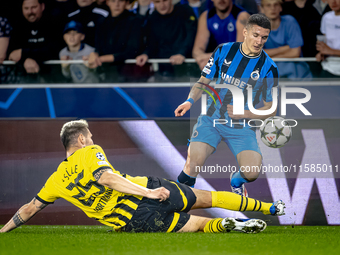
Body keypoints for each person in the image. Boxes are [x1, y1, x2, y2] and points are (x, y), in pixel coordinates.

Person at [0, 119, 285, 234]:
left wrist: (3, 231)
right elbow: (106, 178)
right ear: (83, 139)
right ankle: (270, 209)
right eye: (91, 136)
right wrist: (148, 193)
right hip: (146, 189)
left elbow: (30, 208)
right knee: (207, 198)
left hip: (130, 221)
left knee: (197, 225)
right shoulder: (90, 152)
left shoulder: (55, 180)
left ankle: (229, 224)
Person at [175, 14, 278, 197]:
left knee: (252, 173)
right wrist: (189, 101)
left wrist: (245, 113)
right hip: (211, 119)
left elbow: (271, 108)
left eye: (264, 37)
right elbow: (203, 81)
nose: (259, 41)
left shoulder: (269, 68)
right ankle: (175, 201)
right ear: (245, 32)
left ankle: (236, 180)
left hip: (241, 126)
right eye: (255, 35)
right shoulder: (224, 51)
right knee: (193, 163)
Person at [135, 0, 197, 80]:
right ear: (153, 3)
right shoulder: (152, 18)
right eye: (157, 2)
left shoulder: (185, 11)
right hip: (164, 71)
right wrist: (145, 54)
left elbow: (191, 35)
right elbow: (151, 44)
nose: (162, 5)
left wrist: (182, 53)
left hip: (187, 67)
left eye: (164, 0)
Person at [88, 0, 144, 82]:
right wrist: (95, 54)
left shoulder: (135, 21)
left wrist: (103, 59)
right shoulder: (102, 22)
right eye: (113, 1)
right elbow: (98, 46)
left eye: (120, 1)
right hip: (106, 73)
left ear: (126, 2)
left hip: (129, 75)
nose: (117, 4)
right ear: (108, 2)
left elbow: (132, 51)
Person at [192, 0, 250, 70]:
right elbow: (197, 52)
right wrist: (205, 59)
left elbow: (241, 52)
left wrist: (212, 58)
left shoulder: (242, 16)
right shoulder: (206, 16)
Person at [8, 0, 62, 75]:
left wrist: (24, 53)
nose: (30, 12)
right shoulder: (18, 26)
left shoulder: (53, 22)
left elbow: (54, 50)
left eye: (34, 7)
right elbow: (12, 54)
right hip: (23, 77)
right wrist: (25, 60)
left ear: (42, 6)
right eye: (26, 8)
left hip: (53, 76)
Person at [261, 0, 312, 78]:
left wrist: (269, 58)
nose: (272, 8)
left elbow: (295, 53)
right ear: (262, 9)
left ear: (281, 8)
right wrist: (285, 49)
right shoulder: (257, 27)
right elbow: (256, 54)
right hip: (270, 76)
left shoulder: (290, 21)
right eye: (268, 5)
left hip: (298, 75)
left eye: (276, 5)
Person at [316, 0, 340, 76]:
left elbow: (328, 50)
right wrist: (322, 53)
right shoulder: (326, 17)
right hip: (328, 68)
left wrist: (330, 51)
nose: (333, 2)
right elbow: (325, 42)